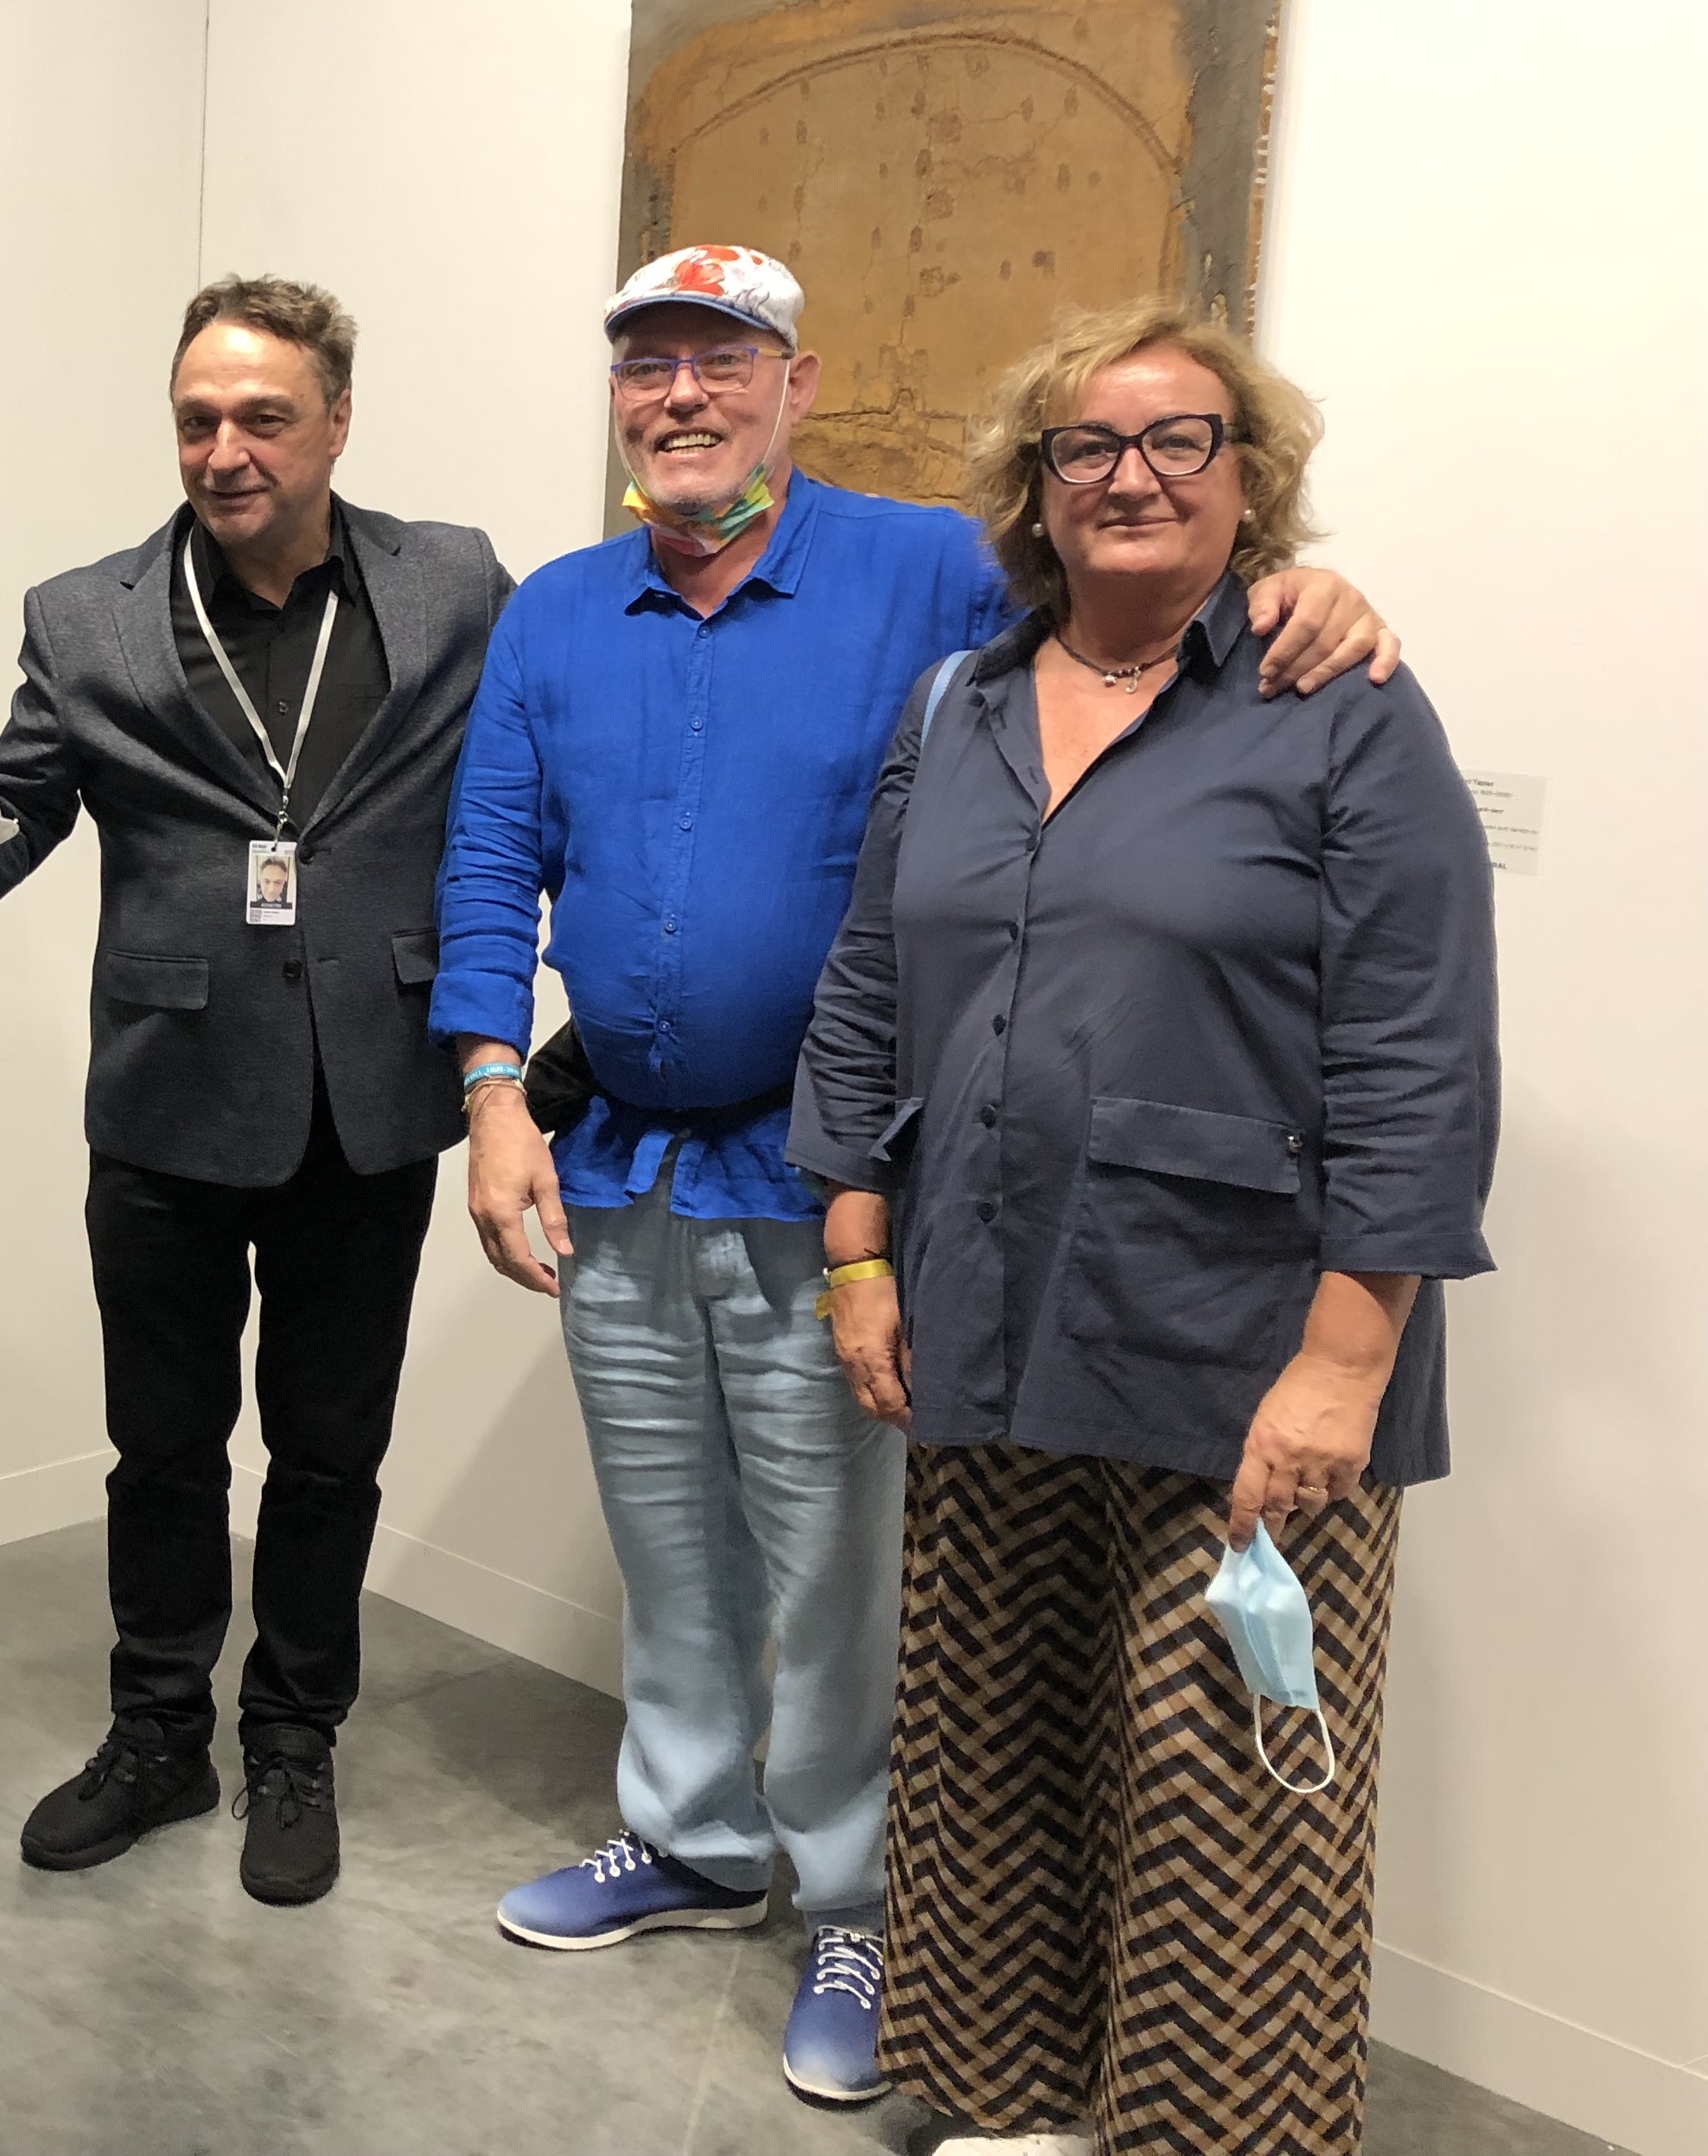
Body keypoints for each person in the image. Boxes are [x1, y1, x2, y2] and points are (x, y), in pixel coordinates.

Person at [427, 246, 1393, 2107]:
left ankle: (864, 1901)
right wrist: (488, 1093)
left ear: (798, 385)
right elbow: (487, 861)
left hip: (842, 1191)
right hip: (615, 1168)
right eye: (647, 366)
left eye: (724, 360)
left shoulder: (928, 572)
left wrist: (1298, 591)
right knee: (667, 1538)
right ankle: (692, 1835)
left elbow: (1139, 606)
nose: (682, 395)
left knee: (840, 1566)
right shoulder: (555, 612)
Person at [789, 304, 1494, 2156]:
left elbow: (1421, 1054)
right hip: (984, 1300)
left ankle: (1203, 2133)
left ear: (1249, 478)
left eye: (1181, 439)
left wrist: (1347, 1366)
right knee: (996, 1738)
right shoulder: (956, 707)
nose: (1132, 475)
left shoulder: (1340, 705)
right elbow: (869, 986)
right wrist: (856, 1249)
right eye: (1087, 445)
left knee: (1221, 1789)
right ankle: (1018, 2101)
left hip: (1241, 1337)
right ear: (1035, 488)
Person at [0, 275, 511, 1906]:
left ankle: (294, 1738)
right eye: (198, 420)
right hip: (167, 1095)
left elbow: (532, 769)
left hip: (369, 1091)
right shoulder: (87, 615)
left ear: (337, 423)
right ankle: (158, 1733)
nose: (225, 452)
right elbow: (21, 797)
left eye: (263, 419)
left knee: (330, 1450)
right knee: (161, 1447)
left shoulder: (454, 586)